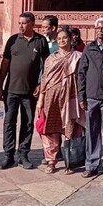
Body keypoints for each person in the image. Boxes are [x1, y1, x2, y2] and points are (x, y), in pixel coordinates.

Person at [0, 12, 49, 170]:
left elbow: (46, 65)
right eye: (19, 23)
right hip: (11, 89)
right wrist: (0, 86)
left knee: (27, 123)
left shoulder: (40, 41)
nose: (21, 26)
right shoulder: (13, 40)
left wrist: (41, 83)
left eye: (24, 23)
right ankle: (8, 155)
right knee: (9, 123)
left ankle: (23, 154)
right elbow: (5, 65)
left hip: (30, 91)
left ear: (32, 24)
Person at [36, 29, 84, 174]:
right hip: (51, 97)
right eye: (59, 38)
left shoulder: (78, 57)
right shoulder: (51, 58)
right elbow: (44, 80)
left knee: (71, 129)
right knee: (50, 129)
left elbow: (82, 79)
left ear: (71, 39)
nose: (62, 41)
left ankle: (71, 162)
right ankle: (51, 161)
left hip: (70, 97)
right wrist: (40, 100)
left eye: (65, 38)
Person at [78, 17, 103, 180]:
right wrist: (81, 95)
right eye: (97, 28)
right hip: (91, 96)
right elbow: (81, 72)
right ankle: (92, 164)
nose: (100, 30)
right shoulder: (89, 48)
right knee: (92, 132)